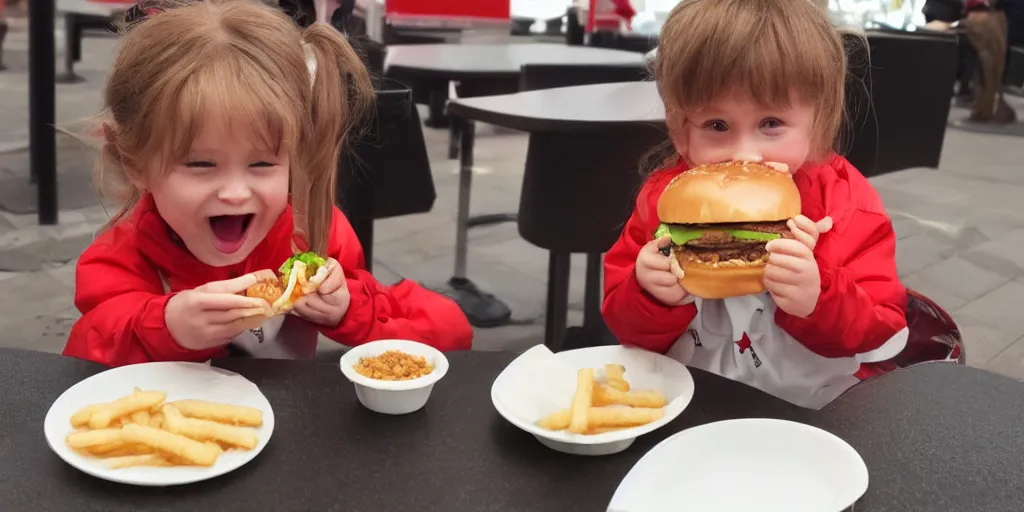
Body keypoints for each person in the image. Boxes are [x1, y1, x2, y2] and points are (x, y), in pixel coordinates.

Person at [63, 0, 473, 367]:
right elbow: (80, 362)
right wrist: (164, 327)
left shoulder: (315, 235)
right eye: (201, 164)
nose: (236, 192)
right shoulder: (117, 261)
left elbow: (451, 331)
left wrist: (352, 309)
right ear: (136, 165)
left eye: (261, 163)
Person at [601, 0, 908, 410]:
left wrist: (820, 297)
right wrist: (648, 295)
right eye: (717, 125)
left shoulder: (848, 203)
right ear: (679, 126)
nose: (745, 154)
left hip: (812, 409)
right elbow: (626, 328)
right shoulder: (662, 201)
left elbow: (881, 328)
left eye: (771, 124)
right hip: (692, 398)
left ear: (817, 119)